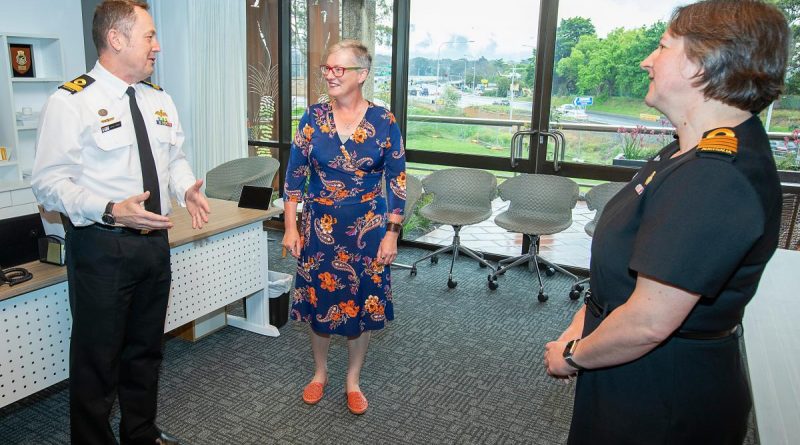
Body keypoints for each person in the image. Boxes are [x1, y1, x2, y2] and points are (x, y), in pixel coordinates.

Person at [543, 1, 788, 443]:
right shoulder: (684, 150)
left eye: (662, 47)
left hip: (663, 395)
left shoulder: (715, 176)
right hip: (629, 368)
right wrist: (584, 322)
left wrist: (573, 356)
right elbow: (625, 268)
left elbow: (649, 321)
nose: (646, 60)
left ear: (705, 64)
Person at [31, 1, 210, 443]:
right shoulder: (72, 101)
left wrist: (185, 188)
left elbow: (175, 159)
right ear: (116, 38)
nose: (157, 46)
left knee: (146, 351)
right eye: (149, 36)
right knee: (98, 361)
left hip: (154, 245)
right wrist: (111, 207)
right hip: (102, 247)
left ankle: (141, 433)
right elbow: (48, 184)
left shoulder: (157, 98)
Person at [282, 39, 406, 415]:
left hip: (368, 230)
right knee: (320, 304)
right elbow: (293, 179)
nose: (331, 75)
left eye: (340, 69)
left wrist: (391, 232)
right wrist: (290, 227)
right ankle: (320, 373)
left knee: (363, 306)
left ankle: (353, 379)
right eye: (327, 68)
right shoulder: (312, 118)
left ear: (362, 74)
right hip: (318, 228)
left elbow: (397, 180)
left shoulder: (384, 121)